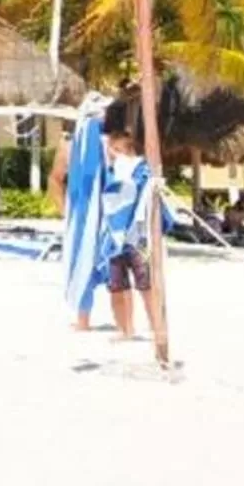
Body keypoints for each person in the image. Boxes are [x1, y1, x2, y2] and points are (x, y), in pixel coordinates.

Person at [99, 128, 162, 341]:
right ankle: (125, 329)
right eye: (111, 149)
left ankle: (157, 328)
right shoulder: (108, 171)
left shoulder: (140, 169)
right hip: (114, 237)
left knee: (146, 284)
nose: (112, 154)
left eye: (117, 150)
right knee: (117, 285)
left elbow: (138, 189)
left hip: (137, 235)